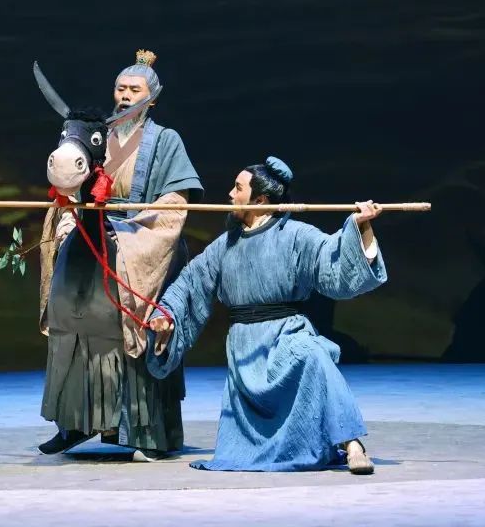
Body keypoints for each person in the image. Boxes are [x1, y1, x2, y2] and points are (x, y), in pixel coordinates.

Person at [146, 157, 386, 474]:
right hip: (246, 347)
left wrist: (361, 227)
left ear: (259, 200)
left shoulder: (296, 235)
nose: (230, 194)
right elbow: (190, 284)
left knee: (314, 355)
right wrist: (166, 314)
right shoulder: (224, 246)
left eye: (238, 188)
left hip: (287, 333)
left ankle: (352, 443)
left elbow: (334, 263)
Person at [37, 50, 203, 461]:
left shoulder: (166, 141)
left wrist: (129, 232)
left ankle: (143, 431)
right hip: (93, 236)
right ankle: (74, 422)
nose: (125, 96)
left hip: (141, 239)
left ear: (152, 99)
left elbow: (174, 202)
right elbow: (71, 185)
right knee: (73, 317)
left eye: (134, 90)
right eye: (120, 88)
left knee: (133, 326)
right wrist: (70, 217)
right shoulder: (96, 137)